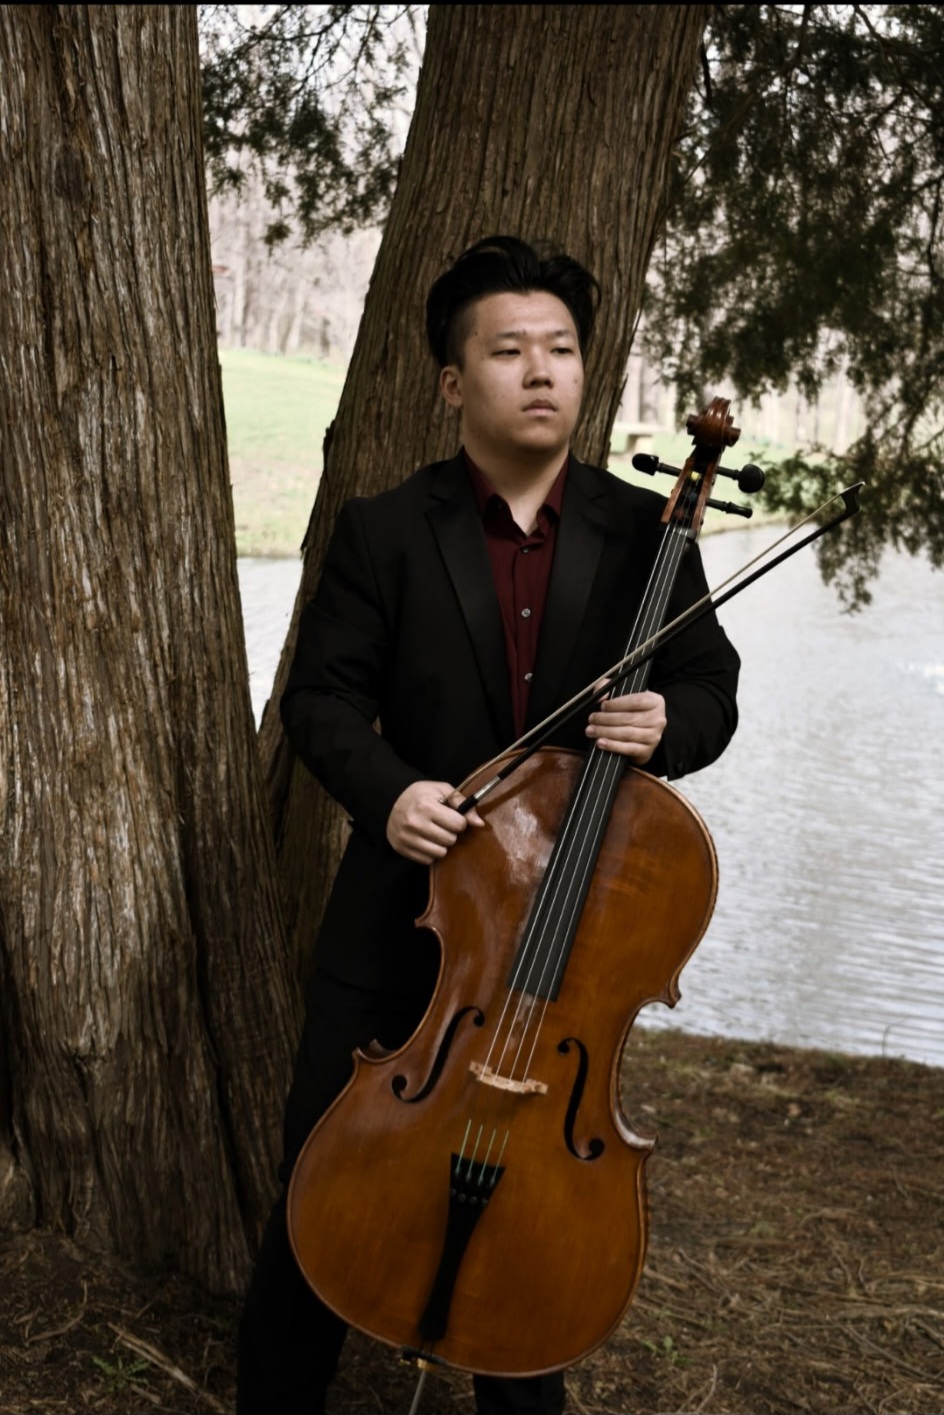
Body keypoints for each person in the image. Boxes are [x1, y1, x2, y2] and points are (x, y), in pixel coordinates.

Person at [237, 235, 740, 1415]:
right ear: (455, 381)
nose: (540, 371)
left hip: (561, 956)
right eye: (508, 349)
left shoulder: (645, 534)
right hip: (397, 932)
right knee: (326, 1184)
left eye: (560, 349)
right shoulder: (385, 528)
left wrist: (668, 718)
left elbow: (711, 688)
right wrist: (391, 790)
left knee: (529, 1198)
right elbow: (317, 697)